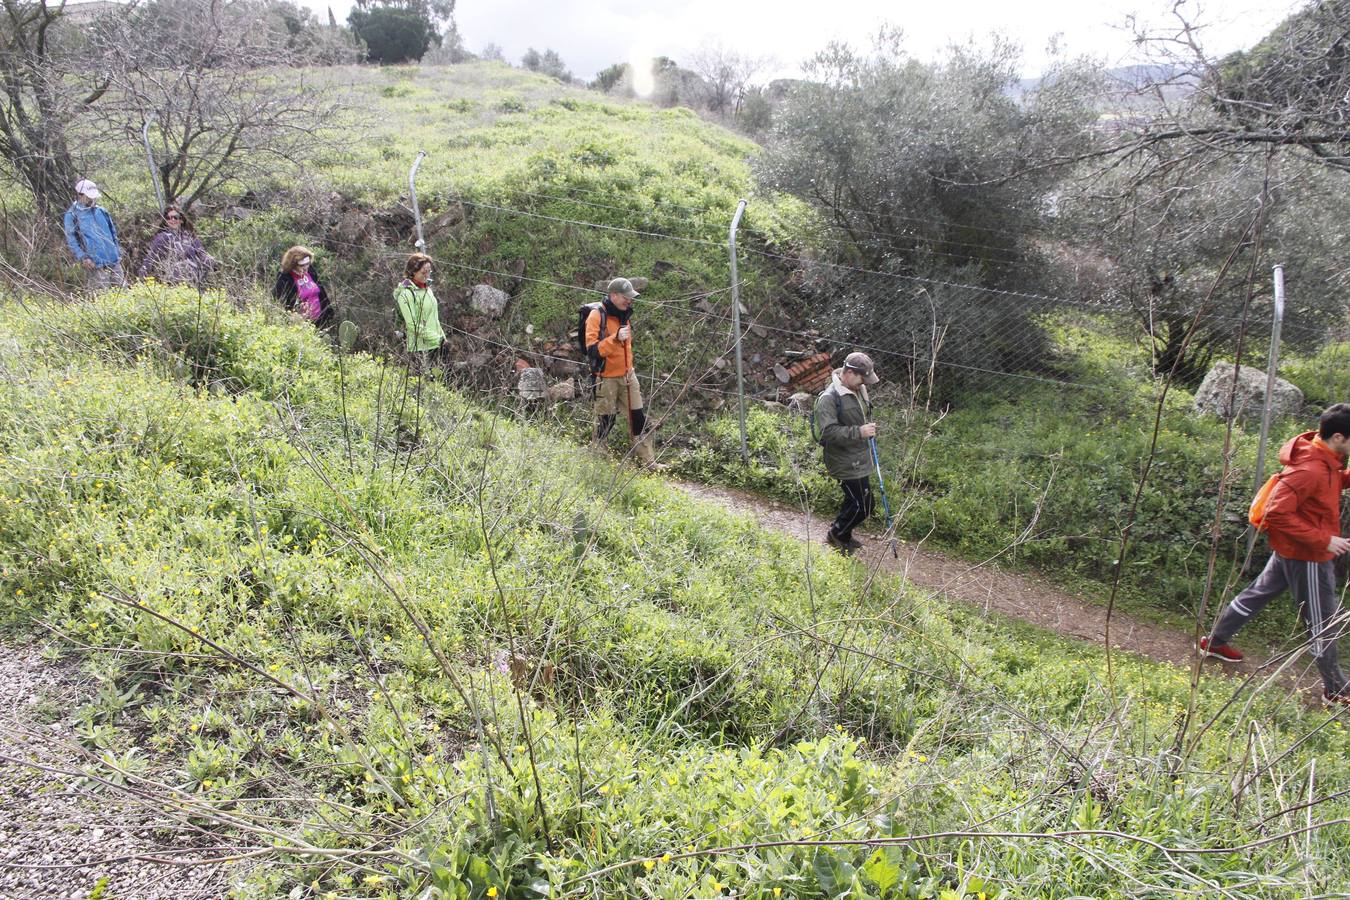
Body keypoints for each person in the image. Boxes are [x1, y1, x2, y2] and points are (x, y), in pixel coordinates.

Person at [1201, 403, 1350, 707]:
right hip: (1309, 554)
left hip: (1291, 549)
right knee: (1323, 621)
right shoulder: (1310, 469)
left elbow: (1327, 485)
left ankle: (1214, 641)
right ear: (1338, 437)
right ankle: (1336, 689)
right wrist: (1325, 540)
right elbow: (1276, 512)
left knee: (1257, 594)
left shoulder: (1323, 458)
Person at [813, 352, 881, 555]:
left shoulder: (857, 389)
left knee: (855, 500)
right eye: (862, 378)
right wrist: (859, 432)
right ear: (849, 373)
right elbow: (829, 432)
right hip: (843, 461)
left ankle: (844, 533)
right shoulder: (829, 398)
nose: (864, 383)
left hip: (859, 456)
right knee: (864, 505)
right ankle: (837, 534)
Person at [585, 277, 656, 468]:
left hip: (627, 376)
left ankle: (648, 463)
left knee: (639, 418)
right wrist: (614, 339)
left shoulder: (625, 314)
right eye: (626, 297)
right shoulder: (596, 315)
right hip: (605, 378)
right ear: (614, 295)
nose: (630, 301)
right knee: (605, 421)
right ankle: (598, 461)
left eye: (631, 297)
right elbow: (592, 350)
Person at [62, 179, 126, 292]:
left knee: (123, 291)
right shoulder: (72, 215)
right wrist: (83, 257)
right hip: (94, 263)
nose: (92, 199)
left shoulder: (101, 211)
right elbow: (72, 240)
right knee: (102, 296)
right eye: (88, 196)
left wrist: (117, 251)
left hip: (113, 260)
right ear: (80, 195)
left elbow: (113, 233)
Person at [137, 204, 214, 287]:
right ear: (165, 221)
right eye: (168, 218)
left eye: (175, 217)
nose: (172, 220)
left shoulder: (190, 236)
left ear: (181, 220)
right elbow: (151, 258)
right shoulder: (162, 237)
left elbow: (201, 253)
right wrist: (142, 275)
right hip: (171, 281)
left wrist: (210, 261)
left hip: (194, 280)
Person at [392, 253, 445, 354]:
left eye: (429, 272)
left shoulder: (427, 289)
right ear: (413, 272)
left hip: (437, 344)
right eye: (423, 272)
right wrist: (437, 339)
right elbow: (412, 324)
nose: (427, 275)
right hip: (420, 349)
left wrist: (442, 339)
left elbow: (433, 318)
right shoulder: (406, 293)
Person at [272, 246, 333, 328]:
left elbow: (321, 291)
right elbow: (281, 304)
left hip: (321, 321)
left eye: (307, 264)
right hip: (301, 325)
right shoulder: (284, 279)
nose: (305, 268)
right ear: (292, 264)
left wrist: (329, 311)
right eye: (302, 265)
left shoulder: (310, 271)